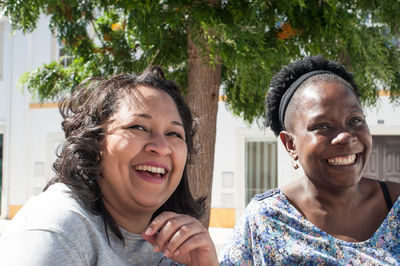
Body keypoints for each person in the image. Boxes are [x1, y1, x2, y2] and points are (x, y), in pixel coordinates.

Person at [0, 67, 218, 265]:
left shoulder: (183, 246)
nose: (161, 147)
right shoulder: (58, 230)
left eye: (173, 133)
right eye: (138, 127)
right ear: (94, 143)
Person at [220, 55, 400, 264]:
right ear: (290, 144)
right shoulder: (264, 221)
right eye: (322, 126)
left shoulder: (395, 206)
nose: (345, 136)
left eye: (355, 120)